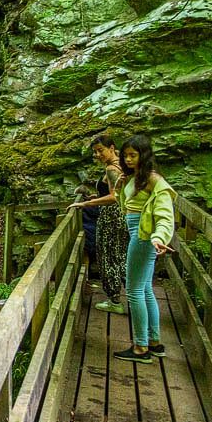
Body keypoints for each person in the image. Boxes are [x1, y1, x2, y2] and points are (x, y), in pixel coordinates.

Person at [113, 134, 176, 363]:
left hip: (143, 236)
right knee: (146, 288)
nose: (128, 159)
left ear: (144, 155)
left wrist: (159, 237)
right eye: (126, 155)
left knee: (133, 290)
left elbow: (165, 214)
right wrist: (120, 187)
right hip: (139, 233)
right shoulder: (135, 178)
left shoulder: (153, 179)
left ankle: (140, 347)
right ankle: (154, 341)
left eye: (133, 155)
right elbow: (128, 204)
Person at [68, 135, 128, 314]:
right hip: (120, 216)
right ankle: (133, 296)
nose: (97, 154)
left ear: (111, 147)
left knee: (108, 256)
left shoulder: (112, 168)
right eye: (95, 152)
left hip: (112, 217)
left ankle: (115, 300)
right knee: (120, 256)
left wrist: (85, 204)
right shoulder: (120, 164)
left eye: (100, 150)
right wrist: (96, 197)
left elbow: (114, 197)